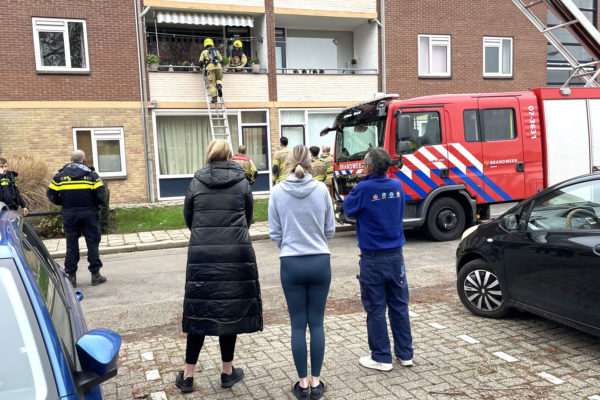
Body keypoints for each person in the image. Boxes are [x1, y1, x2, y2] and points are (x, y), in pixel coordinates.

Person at [176, 139, 262, 394]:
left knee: (198, 312)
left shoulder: (196, 181)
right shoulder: (243, 182)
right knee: (229, 311)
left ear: (209, 155)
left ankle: (188, 376)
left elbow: (189, 217)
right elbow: (248, 218)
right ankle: (227, 372)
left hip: (202, 253)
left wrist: (204, 235)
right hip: (235, 254)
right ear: (230, 156)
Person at [268, 145, 335, 400]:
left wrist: (288, 245)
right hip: (320, 260)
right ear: (310, 164)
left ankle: (302, 383)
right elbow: (330, 229)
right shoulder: (320, 189)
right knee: (316, 323)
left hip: (291, 262)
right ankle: (316, 382)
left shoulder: (277, 192)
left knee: (298, 325)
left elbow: (274, 232)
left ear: (286, 163)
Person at [342, 148, 413, 372]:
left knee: (375, 308)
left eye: (364, 164)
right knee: (399, 306)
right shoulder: (397, 186)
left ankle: (382, 357)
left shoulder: (364, 188)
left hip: (373, 257)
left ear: (369, 167)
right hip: (396, 256)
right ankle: (405, 354)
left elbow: (348, 210)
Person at [47, 150, 106, 288]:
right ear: (84, 160)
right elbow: (102, 195)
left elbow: (50, 194)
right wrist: (94, 204)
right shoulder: (92, 176)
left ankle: (71, 278)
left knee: (71, 245)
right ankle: (95, 275)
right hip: (89, 214)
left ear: (70, 159)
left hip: (69, 215)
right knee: (92, 244)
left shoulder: (60, 176)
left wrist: (63, 203)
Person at [199, 38, 223, 103]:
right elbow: (222, 60)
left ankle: (214, 98)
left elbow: (200, 62)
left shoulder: (203, 52)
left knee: (211, 83)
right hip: (219, 67)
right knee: (218, 79)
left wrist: (202, 69)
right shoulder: (217, 51)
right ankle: (219, 85)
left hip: (210, 68)